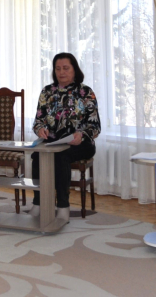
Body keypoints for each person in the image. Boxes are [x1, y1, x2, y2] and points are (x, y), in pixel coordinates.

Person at [30, 52, 101, 222]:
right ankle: (39, 202)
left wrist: (82, 134)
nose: (61, 72)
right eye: (58, 69)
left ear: (74, 70)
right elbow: (38, 121)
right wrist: (40, 130)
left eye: (66, 68)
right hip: (53, 142)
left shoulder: (85, 92)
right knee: (37, 155)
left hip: (81, 143)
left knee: (61, 156)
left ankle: (63, 206)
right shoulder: (47, 92)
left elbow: (95, 126)